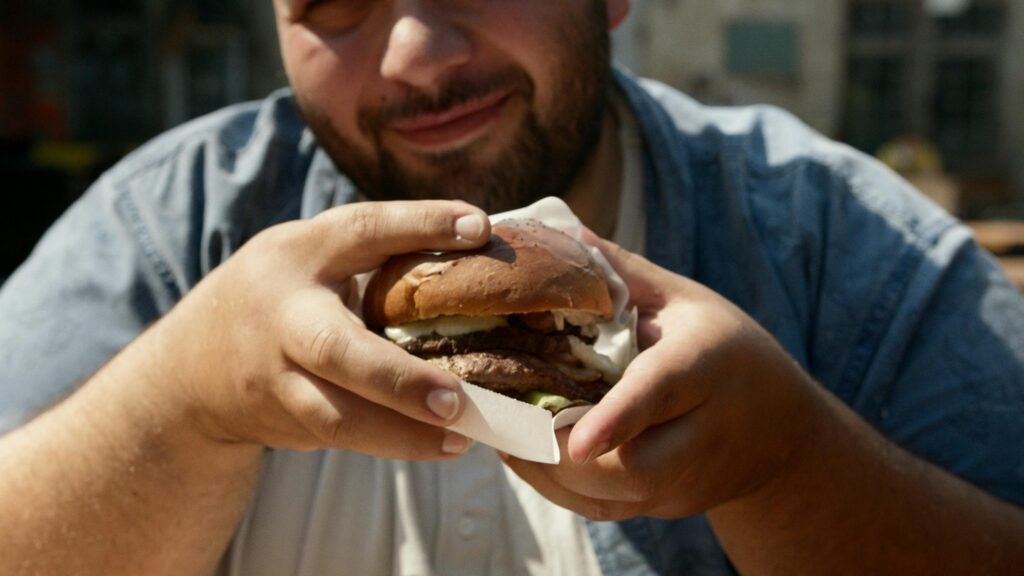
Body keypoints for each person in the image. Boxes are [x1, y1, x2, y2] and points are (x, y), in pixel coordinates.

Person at [1, 1, 1023, 573]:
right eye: (334, 7)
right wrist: (177, 405)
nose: (413, 56)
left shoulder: (831, 243)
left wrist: (792, 467)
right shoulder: (171, 231)